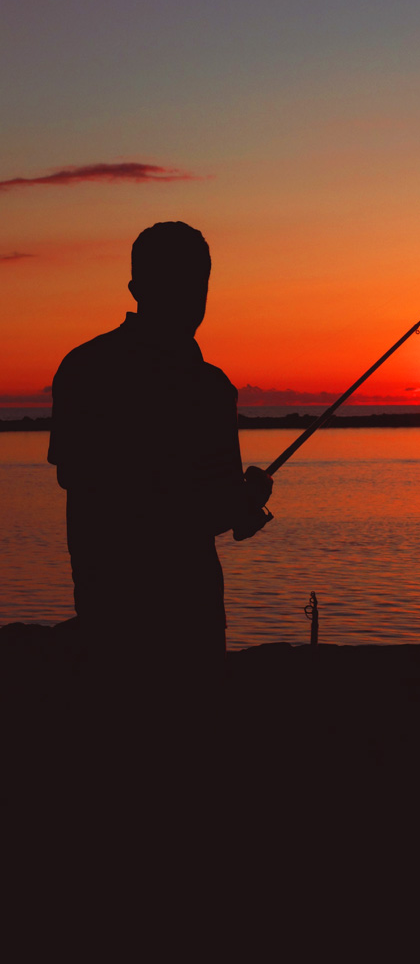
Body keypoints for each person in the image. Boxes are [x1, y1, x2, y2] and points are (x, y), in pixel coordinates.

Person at [48, 220, 272, 672]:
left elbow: (75, 477)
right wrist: (249, 501)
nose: (191, 295)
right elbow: (218, 511)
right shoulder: (208, 387)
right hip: (188, 617)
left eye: (196, 282)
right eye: (186, 282)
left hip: (104, 606)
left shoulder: (82, 367)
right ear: (137, 287)